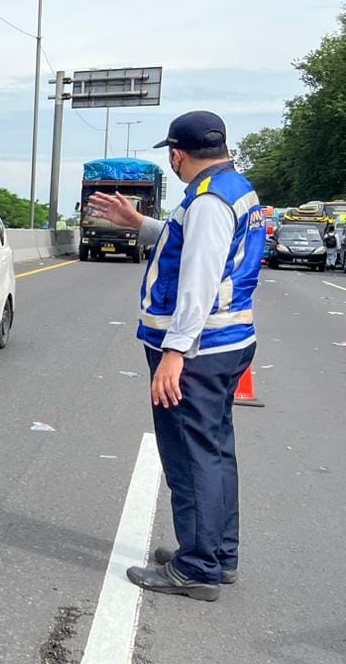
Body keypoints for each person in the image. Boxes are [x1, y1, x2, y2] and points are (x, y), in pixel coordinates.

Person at [90, 111, 264, 602]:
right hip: (228, 343)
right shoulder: (234, 188)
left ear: (177, 154)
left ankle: (197, 567)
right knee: (214, 451)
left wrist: (175, 353)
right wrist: (140, 223)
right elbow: (189, 243)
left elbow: (199, 280)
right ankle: (217, 553)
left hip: (199, 350)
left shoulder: (208, 200)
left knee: (190, 457)